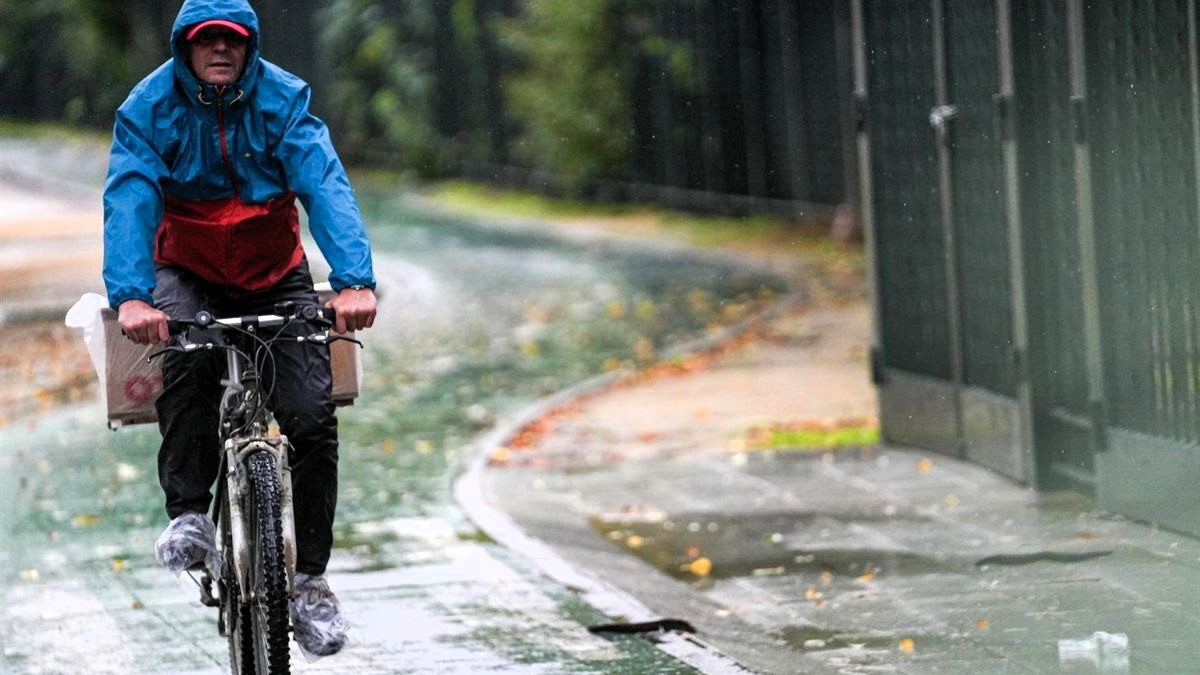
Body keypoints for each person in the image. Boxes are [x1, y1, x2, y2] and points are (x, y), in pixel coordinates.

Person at [102, 0, 375, 658]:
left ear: (250, 47)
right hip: (184, 269)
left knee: (311, 414)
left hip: (272, 269)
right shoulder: (149, 107)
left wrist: (354, 279)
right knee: (188, 360)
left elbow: (324, 182)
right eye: (206, 40)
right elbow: (131, 192)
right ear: (185, 48)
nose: (220, 50)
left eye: (233, 40)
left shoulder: (283, 99)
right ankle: (189, 512)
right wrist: (134, 295)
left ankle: (310, 584)